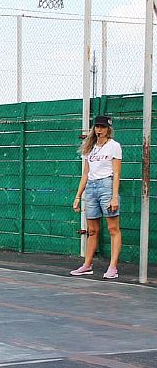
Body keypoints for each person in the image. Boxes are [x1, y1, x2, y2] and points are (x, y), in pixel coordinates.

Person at [71, 115, 123, 279]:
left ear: (108, 129)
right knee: (92, 230)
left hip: (106, 186)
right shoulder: (90, 148)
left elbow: (116, 173)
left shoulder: (114, 146)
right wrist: (78, 196)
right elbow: (85, 173)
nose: (99, 129)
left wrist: (114, 197)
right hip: (91, 188)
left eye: (102, 127)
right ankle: (87, 265)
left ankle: (112, 267)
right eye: (97, 127)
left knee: (113, 228)